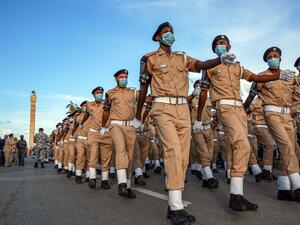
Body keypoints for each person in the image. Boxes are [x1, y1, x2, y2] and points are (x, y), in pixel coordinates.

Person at [135, 22, 236, 225]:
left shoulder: (182, 57)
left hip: (182, 110)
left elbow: (199, 65)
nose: (169, 34)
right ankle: (175, 207)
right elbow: (143, 87)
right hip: (162, 108)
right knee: (173, 151)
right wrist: (138, 117)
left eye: (171, 32)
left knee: (182, 158)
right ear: (157, 38)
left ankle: (175, 202)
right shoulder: (149, 58)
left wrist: (219, 59)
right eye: (165, 32)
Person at [198, 37, 291, 211]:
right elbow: (203, 92)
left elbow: (254, 77)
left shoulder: (237, 66)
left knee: (244, 147)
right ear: (214, 49)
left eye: (224, 43)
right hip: (224, 106)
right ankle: (235, 195)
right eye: (217, 44)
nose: (221, 46)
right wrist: (197, 119)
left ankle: (237, 194)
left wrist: (278, 75)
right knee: (241, 144)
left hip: (239, 108)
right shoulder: (209, 67)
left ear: (230, 46)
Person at [244, 46, 300, 202]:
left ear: (280, 58)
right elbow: (251, 96)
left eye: (275, 55)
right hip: (272, 113)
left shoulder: (290, 76)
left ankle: (283, 188)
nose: (273, 58)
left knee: (291, 150)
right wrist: (243, 109)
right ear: (266, 60)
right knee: (286, 146)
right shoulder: (261, 77)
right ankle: (297, 186)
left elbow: (296, 96)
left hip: (288, 115)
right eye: (269, 56)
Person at [102, 69, 139, 199]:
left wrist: (138, 119)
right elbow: (106, 111)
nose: (124, 79)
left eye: (126, 77)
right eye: (121, 77)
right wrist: (103, 126)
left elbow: (143, 101)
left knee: (130, 156)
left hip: (130, 126)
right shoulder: (110, 93)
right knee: (121, 149)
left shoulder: (133, 92)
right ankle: (121, 183)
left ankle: (127, 186)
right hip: (116, 125)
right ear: (116, 79)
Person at [85, 86, 112, 189]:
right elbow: (86, 115)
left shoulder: (107, 103)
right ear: (93, 95)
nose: (99, 94)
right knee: (93, 155)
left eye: (101, 92)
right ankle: (92, 178)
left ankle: (104, 180)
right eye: (97, 93)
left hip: (106, 133)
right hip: (94, 134)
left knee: (106, 158)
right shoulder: (89, 105)